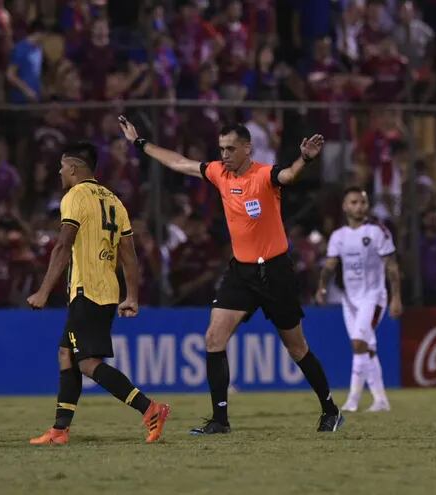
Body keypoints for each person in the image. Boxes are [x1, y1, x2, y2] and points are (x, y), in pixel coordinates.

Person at [119, 116, 344, 433]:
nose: (223, 154)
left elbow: (290, 175)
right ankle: (220, 420)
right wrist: (139, 143)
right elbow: (180, 162)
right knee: (213, 338)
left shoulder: (264, 176)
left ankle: (330, 410)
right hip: (241, 272)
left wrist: (304, 159)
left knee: (297, 348)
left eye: (230, 148)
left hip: (275, 272)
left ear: (247, 148)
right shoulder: (218, 173)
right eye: (221, 148)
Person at [27, 142, 170, 445]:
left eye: (63, 166)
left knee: (86, 362)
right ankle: (59, 430)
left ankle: (149, 408)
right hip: (107, 290)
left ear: (75, 168)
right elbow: (129, 255)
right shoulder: (114, 200)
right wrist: (131, 296)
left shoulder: (75, 196)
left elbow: (63, 245)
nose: (60, 171)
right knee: (66, 354)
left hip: (87, 290)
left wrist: (42, 291)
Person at [316, 188, 403, 412]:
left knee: (358, 343)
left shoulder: (377, 232)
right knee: (367, 348)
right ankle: (380, 400)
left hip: (374, 297)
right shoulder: (338, 236)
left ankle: (352, 400)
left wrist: (396, 298)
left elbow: (392, 267)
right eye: (354, 202)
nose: (359, 207)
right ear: (345, 207)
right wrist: (321, 288)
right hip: (350, 299)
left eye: (362, 202)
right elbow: (329, 266)